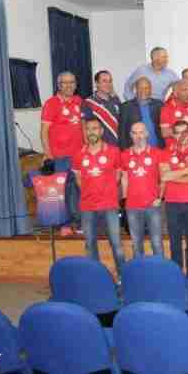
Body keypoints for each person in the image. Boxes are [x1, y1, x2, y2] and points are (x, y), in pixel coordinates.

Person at [72, 119, 125, 273]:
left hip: (109, 205)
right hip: (87, 206)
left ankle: (122, 278)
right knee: (90, 244)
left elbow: (118, 177)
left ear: (101, 131)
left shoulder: (114, 151)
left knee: (116, 244)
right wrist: (92, 191)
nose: (91, 132)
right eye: (88, 129)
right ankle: (96, 278)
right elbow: (79, 180)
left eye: (95, 128)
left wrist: (105, 190)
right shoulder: (78, 154)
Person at [40, 71, 84, 235]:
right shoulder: (51, 103)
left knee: (77, 190)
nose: (69, 85)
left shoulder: (79, 101)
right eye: (65, 83)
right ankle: (64, 225)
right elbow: (44, 131)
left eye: (71, 82)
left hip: (78, 156)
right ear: (58, 85)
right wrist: (47, 153)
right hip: (59, 157)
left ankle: (79, 223)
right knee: (62, 192)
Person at [160, 120, 188, 277]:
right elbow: (164, 176)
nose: (181, 136)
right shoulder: (165, 152)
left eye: (184, 132)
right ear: (173, 134)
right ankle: (177, 274)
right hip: (172, 202)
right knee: (175, 241)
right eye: (177, 132)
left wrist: (175, 174)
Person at [120, 122, 164, 257]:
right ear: (130, 136)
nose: (138, 136)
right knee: (136, 243)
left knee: (156, 242)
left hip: (153, 205)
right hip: (132, 206)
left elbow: (164, 178)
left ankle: (160, 273)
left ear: (147, 134)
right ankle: (139, 276)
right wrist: (124, 200)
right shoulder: (125, 155)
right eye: (135, 133)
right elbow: (124, 178)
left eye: (141, 132)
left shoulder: (157, 153)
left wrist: (160, 198)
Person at [119, 76, 165, 150]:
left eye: (146, 88)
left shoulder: (159, 105)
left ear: (150, 90)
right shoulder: (126, 107)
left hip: (157, 149)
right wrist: (124, 151)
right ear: (136, 89)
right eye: (140, 88)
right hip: (135, 151)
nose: (143, 90)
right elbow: (122, 133)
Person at [82, 70, 121, 146]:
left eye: (110, 81)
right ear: (97, 83)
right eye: (104, 81)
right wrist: (88, 145)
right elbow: (84, 127)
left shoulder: (116, 100)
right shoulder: (89, 102)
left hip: (119, 146)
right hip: (101, 148)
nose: (108, 84)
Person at [161, 79, 188, 147]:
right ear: (176, 93)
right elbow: (164, 133)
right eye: (184, 90)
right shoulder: (166, 108)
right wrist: (183, 128)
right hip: (175, 151)